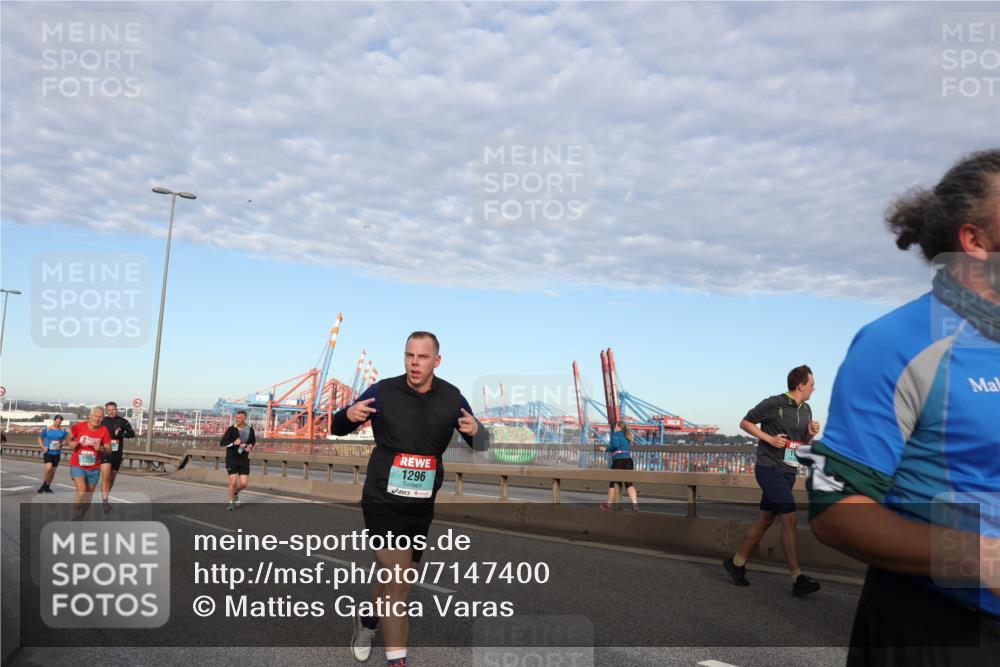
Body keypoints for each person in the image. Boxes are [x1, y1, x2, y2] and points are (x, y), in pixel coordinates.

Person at [798, 149, 1000, 665]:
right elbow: (836, 513)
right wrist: (983, 557)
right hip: (941, 629)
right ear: (975, 241)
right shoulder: (898, 343)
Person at [332, 331, 489, 667]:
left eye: (422, 357)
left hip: (420, 505)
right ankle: (397, 661)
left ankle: (368, 620)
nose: (414, 363)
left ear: (437, 361)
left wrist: (478, 432)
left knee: (397, 579)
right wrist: (348, 414)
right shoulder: (383, 391)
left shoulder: (452, 398)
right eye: (409, 355)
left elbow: (482, 443)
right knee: (399, 584)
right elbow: (337, 424)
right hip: (382, 498)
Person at [722, 365, 822, 596]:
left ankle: (736, 563)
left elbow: (802, 445)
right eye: (812, 384)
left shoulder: (806, 409)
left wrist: (810, 434)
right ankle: (797, 578)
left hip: (788, 471)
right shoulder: (774, 403)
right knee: (790, 519)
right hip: (769, 469)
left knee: (766, 518)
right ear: (800, 385)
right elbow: (745, 422)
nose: (814, 388)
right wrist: (769, 439)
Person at [68, 407, 111, 519]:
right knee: (82, 490)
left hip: (94, 468)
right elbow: (69, 438)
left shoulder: (104, 430)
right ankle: (75, 513)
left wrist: (101, 448)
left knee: (88, 497)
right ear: (90, 416)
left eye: (100, 417)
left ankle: (80, 518)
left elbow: (109, 450)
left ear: (103, 419)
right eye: (95, 416)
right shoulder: (79, 426)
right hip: (78, 465)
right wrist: (71, 444)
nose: (97, 419)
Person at [99, 401, 136, 512]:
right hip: (105, 452)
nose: (111, 412)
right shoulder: (102, 421)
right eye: (109, 410)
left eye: (113, 409)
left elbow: (132, 433)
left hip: (117, 453)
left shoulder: (123, 421)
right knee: (106, 476)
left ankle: (105, 496)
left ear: (117, 409)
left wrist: (122, 434)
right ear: (106, 411)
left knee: (112, 478)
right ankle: (105, 501)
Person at [220, 410, 255, 510]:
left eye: (239, 418)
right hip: (232, 458)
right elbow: (222, 443)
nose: (237, 419)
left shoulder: (250, 429)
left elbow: (253, 440)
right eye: (236, 417)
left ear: (244, 419)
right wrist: (233, 443)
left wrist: (250, 446)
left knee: (244, 483)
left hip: (244, 459)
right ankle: (231, 502)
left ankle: (235, 493)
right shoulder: (231, 429)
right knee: (233, 481)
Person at [599, 421, 639, 511]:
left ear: (619, 427)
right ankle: (635, 504)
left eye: (615, 426)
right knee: (629, 484)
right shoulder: (627, 435)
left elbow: (615, 446)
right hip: (629, 461)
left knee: (613, 483)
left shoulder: (616, 435)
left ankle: (608, 505)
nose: (614, 427)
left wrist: (606, 449)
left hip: (619, 461)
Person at [36, 415, 68, 493]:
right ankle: (44, 484)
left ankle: (47, 487)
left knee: (53, 471)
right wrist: (43, 447)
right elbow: (39, 439)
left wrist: (61, 444)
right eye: (56, 422)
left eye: (59, 423)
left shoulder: (63, 430)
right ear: (54, 421)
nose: (57, 424)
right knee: (48, 468)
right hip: (48, 452)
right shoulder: (47, 429)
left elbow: (67, 440)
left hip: (57, 453)